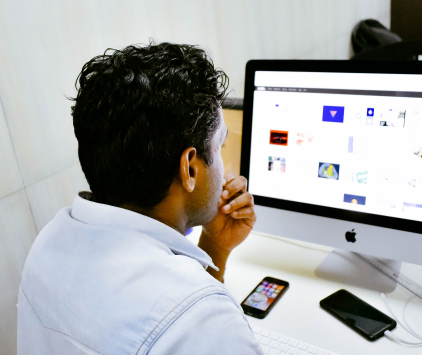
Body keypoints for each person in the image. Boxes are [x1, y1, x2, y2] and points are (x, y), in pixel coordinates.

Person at [17, 42, 263, 355]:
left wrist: (215, 247)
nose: (223, 167)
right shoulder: (203, 316)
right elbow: (188, 317)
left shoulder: (48, 245)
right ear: (189, 167)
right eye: (219, 148)